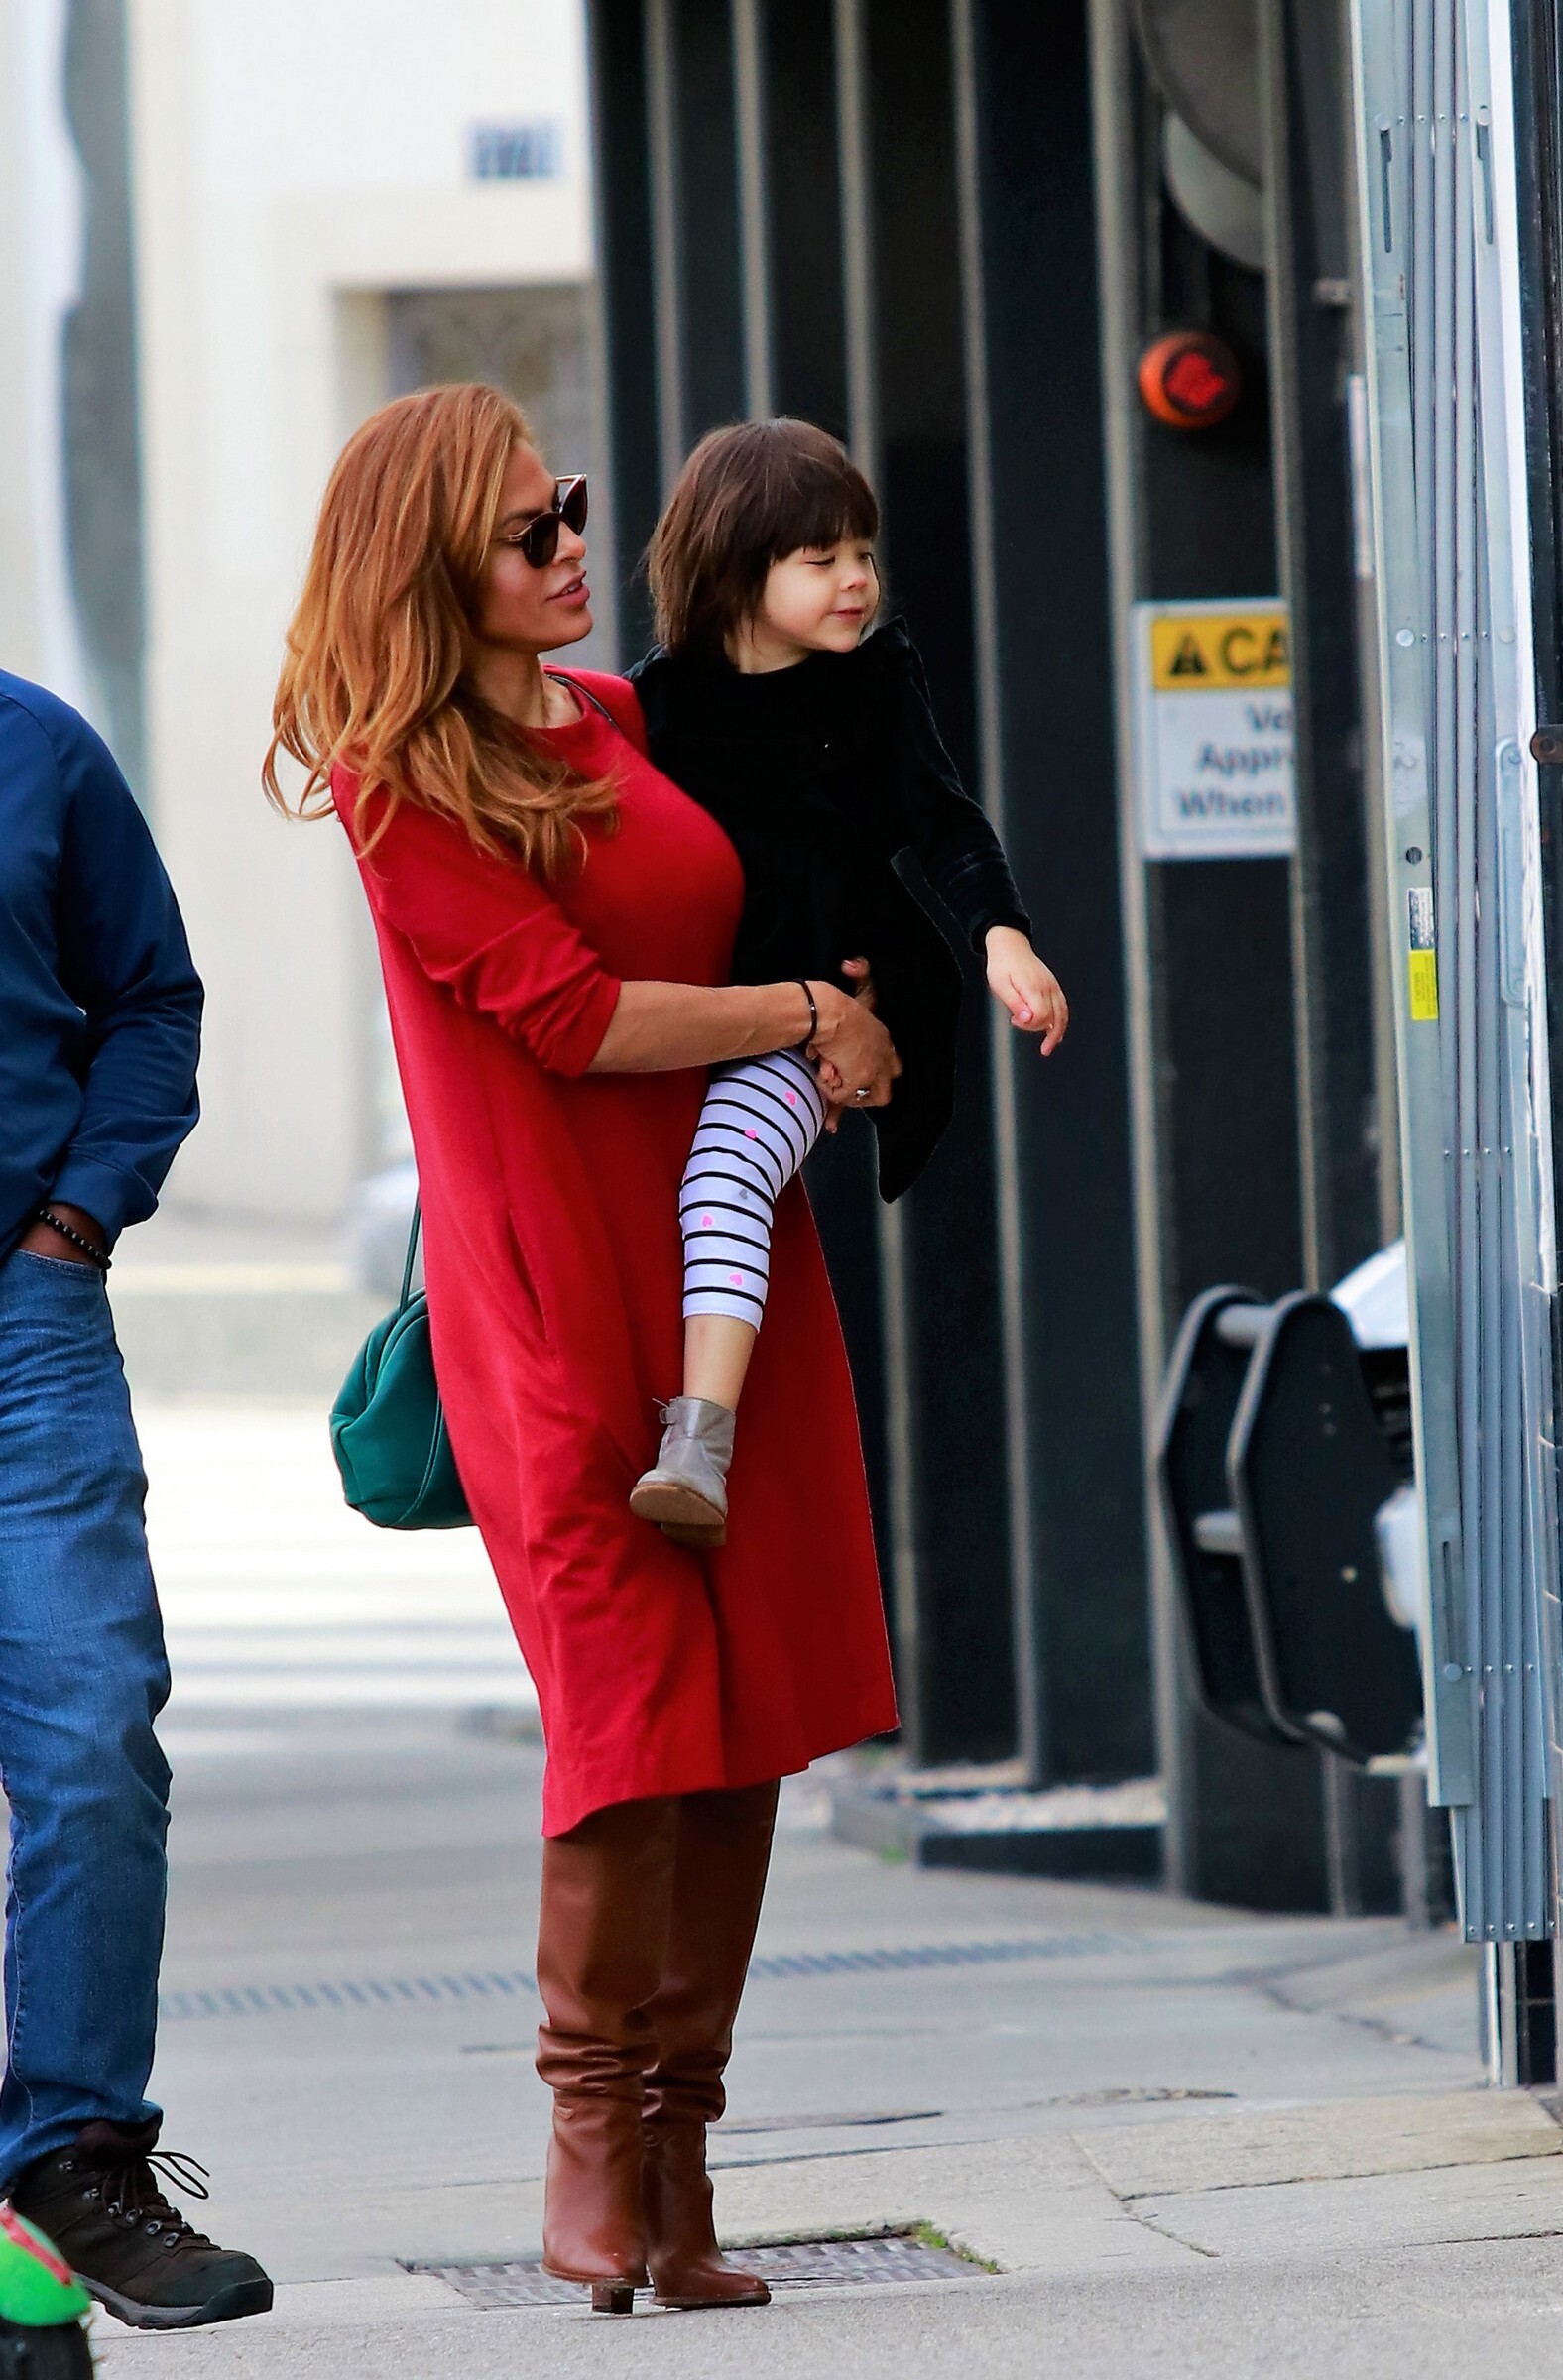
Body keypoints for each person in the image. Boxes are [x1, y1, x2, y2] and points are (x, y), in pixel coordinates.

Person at [265, 384, 900, 2315]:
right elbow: (568, 1018)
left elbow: (814, 815)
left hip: (722, 1284)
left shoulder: (622, 719)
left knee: (746, 1721)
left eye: (573, 512)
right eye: (528, 531)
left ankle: (680, 2174)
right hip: (553, 1302)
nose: (568, 550)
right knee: (631, 1721)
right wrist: (797, 1011)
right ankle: (587, 2146)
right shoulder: (397, 782)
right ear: (429, 565)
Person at [627, 418, 1068, 1544]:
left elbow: (948, 825)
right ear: (736, 568)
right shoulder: (654, 706)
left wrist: (1002, 939)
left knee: (728, 1173)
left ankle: (699, 1444)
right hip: (692, 1019)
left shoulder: (876, 683)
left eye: (863, 554)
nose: (857, 580)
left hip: (826, 1013)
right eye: (821, 559)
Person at [0, 671, 273, 2331]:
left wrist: (83, 1214)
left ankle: (75, 2160)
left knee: (93, 1728)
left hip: (21, 1319)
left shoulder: (35, 749)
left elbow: (152, 996)